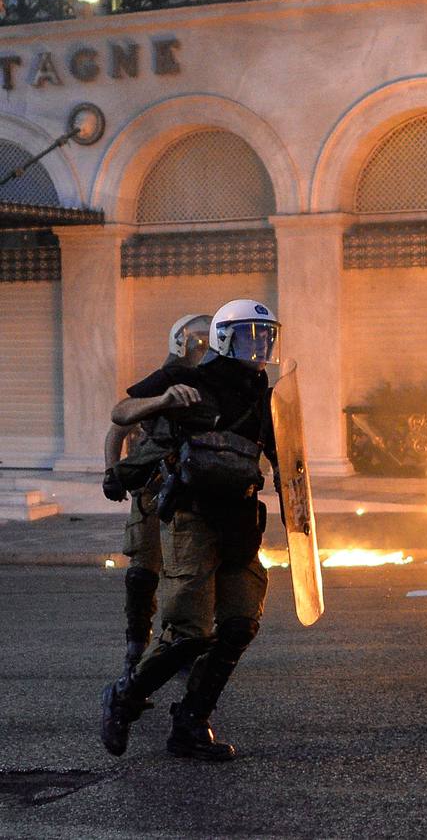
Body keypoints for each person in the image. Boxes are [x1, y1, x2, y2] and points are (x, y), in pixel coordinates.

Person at [100, 299, 281, 761]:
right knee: (190, 634)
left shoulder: (262, 391)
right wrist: (164, 399)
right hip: (193, 518)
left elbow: (282, 452)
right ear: (223, 338)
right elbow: (122, 414)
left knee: (240, 624)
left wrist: (295, 491)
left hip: (240, 520)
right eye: (248, 336)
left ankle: (191, 724)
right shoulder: (192, 377)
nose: (259, 346)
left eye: (265, 336)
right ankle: (123, 698)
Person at [101, 314, 211, 684]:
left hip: (195, 493)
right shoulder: (164, 381)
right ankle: (135, 648)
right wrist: (111, 472)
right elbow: (120, 422)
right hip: (153, 490)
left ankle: (179, 646)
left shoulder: (214, 384)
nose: (202, 349)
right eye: (197, 343)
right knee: (142, 573)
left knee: (185, 577)